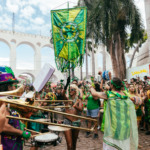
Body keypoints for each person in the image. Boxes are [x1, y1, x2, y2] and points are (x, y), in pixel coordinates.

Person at [90, 77, 139, 150]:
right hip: (125, 129)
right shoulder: (126, 94)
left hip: (114, 130)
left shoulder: (109, 94)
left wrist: (91, 87)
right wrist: (134, 99)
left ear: (112, 85)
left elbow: (94, 94)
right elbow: (138, 101)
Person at [0, 67, 31, 150]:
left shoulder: (8, 101)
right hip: (7, 146)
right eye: (15, 86)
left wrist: (19, 126)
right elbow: (3, 126)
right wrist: (21, 132)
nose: (16, 88)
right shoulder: (3, 103)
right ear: (9, 87)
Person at [64, 84, 83, 150]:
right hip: (67, 122)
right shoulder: (67, 99)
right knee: (69, 145)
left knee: (74, 144)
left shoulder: (78, 100)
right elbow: (62, 94)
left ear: (75, 91)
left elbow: (81, 109)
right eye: (69, 89)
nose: (70, 91)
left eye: (72, 89)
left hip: (76, 122)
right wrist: (66, 85)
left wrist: (75, 106)